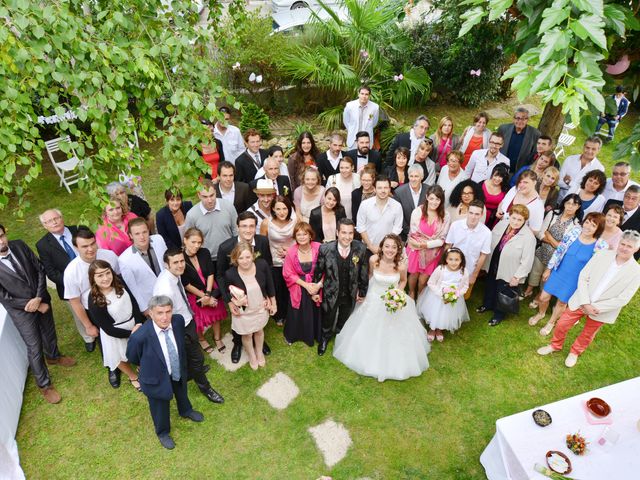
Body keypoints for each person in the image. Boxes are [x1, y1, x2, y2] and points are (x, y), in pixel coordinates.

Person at [333, 234, 430, 382]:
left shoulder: (402, 265)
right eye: (387, 246)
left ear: (398, 249)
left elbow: (403, 281)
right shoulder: (373, 260)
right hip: (374, 296)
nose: (390, 250)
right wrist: (365, 293)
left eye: (393, 247)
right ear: (382, 247)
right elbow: (370, 276)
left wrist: (396, 293)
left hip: (392, 298)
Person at [537, 230, 640, 368]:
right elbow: (584, 276)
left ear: (636, 248)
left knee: (588, 334)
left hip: (601, 310)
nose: (624, 248)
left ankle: (574, 352)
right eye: (623, 244)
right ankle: (555, 345)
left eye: (629, 246)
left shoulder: (636, 271)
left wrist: (596, 308)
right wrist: (585, 302)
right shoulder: (602, 254)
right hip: (581, 300)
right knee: (562, 324)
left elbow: (623, 298)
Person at [0, 224, 75, 404]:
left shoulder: (18, 245)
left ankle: (54, 356)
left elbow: (39, 269)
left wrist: (39, 297)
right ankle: (44, 384)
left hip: (41, 297)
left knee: (49, 333)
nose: (1, 241)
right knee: (34, 347)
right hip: (21, 311)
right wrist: (31, 304)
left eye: (1, 236)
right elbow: (3, 296)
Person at [126, 295, 205, 449]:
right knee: (159, 405)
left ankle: (186, 410)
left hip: (177, 369)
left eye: (168, 311)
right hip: (155, 377)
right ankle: (162, 432)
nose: (165, 317)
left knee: (181, 391)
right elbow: (133, 357)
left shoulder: (178, 321)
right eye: (160, 313)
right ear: (151, 313)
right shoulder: (139, 336)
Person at [153, 249, 224, 404]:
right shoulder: (165, 288)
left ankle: (192, 372)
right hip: (180, 326)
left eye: (181, 261)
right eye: (175, 262)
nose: (180, 265)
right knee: (197, 357)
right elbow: (163, 316)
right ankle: (206, 388)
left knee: (191, 356)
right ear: (166, 265)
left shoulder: (174, 276)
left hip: (186, 318)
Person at [528, 213, 607, 336]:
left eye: (593, 225)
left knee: (561, 303)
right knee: (543, 297)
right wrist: (549, 269)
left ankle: (551, 322)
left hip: (574, 280)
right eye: (587, 222)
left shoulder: (600, 246)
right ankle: (541, 313)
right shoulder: (574, 233)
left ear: (598, 229)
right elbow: (559, 251)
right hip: (558, 272)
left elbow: (597, 268)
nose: (588, 226)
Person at [216, 212, 272, 364]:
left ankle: (258, 341)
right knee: (240, 321)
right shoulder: (225, 247)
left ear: (256, 227)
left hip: (256, 292)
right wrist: (229, 301)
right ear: (238, 227)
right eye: (244, 226)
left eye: (252, 226)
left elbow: (267, 270)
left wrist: (267, 295)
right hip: (237, 296)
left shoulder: (263, 242)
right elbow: (220, 276)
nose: (248, 230)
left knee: (257, 318)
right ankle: (238, 343)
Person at [313, 219, 368, 355]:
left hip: (350, 292)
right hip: (331, 292)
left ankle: (340, 334)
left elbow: (363, 270)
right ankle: (325, 338)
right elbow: (318, 271)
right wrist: (315, 290)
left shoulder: (360, 248)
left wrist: (362, 290)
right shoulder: (325, 249)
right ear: (337, 232)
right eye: (344, 232)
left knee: (345, 316)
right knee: (328, 317)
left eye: (350, 233)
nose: (347, 237)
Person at [36, 209, 91, 347]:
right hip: (68, 286)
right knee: (79, 313)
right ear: (45, 226)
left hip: (93, 276)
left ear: (62, 218)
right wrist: (73, 283)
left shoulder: (78, 229)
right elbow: (51, 272)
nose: (54, 222)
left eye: (56, 218)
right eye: (49, 221)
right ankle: (88, 337)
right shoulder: (42, 245)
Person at [87, 260, 144, 391]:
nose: (106, 278)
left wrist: (138, 323)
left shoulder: (119, 282)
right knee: (119, 356)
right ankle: (132, 376)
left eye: (107, 273)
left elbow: (133, 302)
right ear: (93, 278)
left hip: (134, 324)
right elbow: (108, 329)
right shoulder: (94, 300)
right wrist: (132, 334)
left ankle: (142, 366)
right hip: (116, 332)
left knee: (141, 350)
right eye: (100, 275)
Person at [64, 227, 120, 358]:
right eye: (84, 246)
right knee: (104, 340)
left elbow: (119, 278)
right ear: (76, 248)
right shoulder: (71, 271)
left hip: (117, 302)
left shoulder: (109, 256)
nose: (90, 249)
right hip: (95, 310)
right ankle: (113, 367)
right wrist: (88, 326)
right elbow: (75, 302)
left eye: (92, 243)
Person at [478, 204, 536, 326]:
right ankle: (487, 305)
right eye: (513, 218)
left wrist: (517, 276)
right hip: (494, 261)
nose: (515, 222)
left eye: (519, 220)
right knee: (490, 285)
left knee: (503, 291)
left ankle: (498, 315)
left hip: (510, 269)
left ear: (525, 221)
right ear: (509, 216)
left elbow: (527, 261)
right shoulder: (502, 225)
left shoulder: (529, 237)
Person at [222, 243, 276, 369]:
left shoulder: (262, 265)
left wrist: (273, 302)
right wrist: (234, 302)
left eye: (247, 257)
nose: (245, 261)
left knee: (259, 331)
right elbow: (226, 291)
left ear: (252, 256)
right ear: (235, 259)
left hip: (260, 307)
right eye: (241, 258)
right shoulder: (230, 274)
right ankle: (251, 355)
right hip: (244, 312)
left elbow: (270, 284)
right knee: (247, 335)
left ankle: (259, 353)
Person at [523, 194, 582, 302]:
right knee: (534, 273)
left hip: (556, 257)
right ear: (564, 203)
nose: (570, 207)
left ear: (578, 207)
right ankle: (529, 290)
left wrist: (549, 236)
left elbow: (564, 246)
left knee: (546, 278)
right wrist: (555, 243)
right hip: (542, 250)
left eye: (574, 204)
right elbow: (541, 233)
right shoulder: (552, 214)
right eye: (568, 203)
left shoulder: (576, 224)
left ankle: (539, 296)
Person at [182, 228, 228, 353]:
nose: (196, 246)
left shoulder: (204, 252)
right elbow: (186, 284)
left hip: (210, 287)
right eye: (193, 242)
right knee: (198, 318)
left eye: (199, 242)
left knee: (216, 313)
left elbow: (211, 273)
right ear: (185, 240)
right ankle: (202, 339)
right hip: (194, 292)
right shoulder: (181, 259)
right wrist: (203, 296)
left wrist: (208, 294)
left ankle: (217, 338)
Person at [406, 185, 450, 299]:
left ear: (441, 200)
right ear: (426, 197)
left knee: (423, 279)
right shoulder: (418, 212)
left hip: (433, 253)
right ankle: (411, 293)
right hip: (415, 251)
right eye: (431, 198)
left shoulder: (445, 216)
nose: (434, 202)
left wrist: (425, 244)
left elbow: (441, 240)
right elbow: (414, 234)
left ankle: (420, 297)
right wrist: (426, 243)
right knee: (414, 274)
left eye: (437, 199)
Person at [282, 222, 322, 346]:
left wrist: (318, 285)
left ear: (311, 235)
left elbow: (328, 269)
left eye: (305, 234)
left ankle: (316, 334)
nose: (302, 237)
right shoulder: (291, 251)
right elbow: (288, 273)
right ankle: (294, 335)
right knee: (297, 311)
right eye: (298, 234)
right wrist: (306, 285)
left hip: (317, 284)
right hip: (299, 286)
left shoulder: (319, 247)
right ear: (295, 237)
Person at [419, 247, 470, 342]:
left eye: (456, 260)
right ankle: (432, 329)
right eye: (450, 259)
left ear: (461, 260)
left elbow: (465, 286)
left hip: (453, 298)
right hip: (437, 297)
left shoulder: (464, 271)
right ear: (446, 259)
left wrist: (456, 295)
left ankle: (439, 330)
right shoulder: (441, 269)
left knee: (446, 315)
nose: (453, 262)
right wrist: (441, 294)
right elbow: (431, 283)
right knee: (435, 313)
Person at [184, 179, 238, 267]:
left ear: (216, 192)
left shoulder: (228, 206)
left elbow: (236, 231)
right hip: (206, 260)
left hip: (229, 256)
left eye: (212, 195)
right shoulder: (192, 215)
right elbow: (189, 241)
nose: (209, 200)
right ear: (199, 195)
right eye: (205, 197)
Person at [260, 195, 297, 326]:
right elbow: (262, 243)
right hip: (274, 260)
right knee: (277, 287)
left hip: (292, 259)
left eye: (285, 209)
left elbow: (302, 239)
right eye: (278, 209)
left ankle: (291, 313)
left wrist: (291, 251)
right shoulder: (266, 223)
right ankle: (278, 314)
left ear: (289, 209)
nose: (282, 212)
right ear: (273, 209)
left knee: (290, 287)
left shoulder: (296, 221)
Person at [444, 200, 492, 299]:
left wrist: (474, 275)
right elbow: (448, 246)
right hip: (452, 265)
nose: (473, 217)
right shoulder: (455, 225)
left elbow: (483, 255)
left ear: (482, 215)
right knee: (446, 292)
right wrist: (444, 264)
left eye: (477, 214)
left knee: (463, 296)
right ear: (467, 211)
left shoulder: (487, 233)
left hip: (469, 269)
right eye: (471, 213)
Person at [119, 218, 167, 316]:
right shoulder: (124, 260)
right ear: (131, 236)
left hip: (170, 289)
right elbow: (133, 288)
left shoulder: (158, 239)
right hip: (152, 300)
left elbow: (169, 263)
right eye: (137, 234)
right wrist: (144, 309)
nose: (142, 237)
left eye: (144, 232)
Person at [356, 176, 403, 255]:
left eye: (386, 187)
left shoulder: (397, 206)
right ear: (375, 189)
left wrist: (386, 247)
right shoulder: (365, 205)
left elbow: (397, 228)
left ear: (389, 189)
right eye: (380, 188)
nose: (383, 191)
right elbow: (361, 227)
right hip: (367, 248)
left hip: (389, 251)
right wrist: (371, 246)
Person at [495, 170, 545, 234]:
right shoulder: (514, 190)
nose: (521, 185)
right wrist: (499, 210)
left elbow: (535, 231)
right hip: (499, 229)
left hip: (514, 239)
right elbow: (502, 203)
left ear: (534, 182)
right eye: (520, 182)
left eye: (525, 182)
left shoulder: (538, 205)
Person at [497, 106, 541, 173]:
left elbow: (535, 154)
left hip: (520, 172)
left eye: (523, 119)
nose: (520, 121)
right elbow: (497, 146)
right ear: (513, 119)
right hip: (501, 168)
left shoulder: (535, 134)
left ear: (527, 120)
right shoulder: (503, 129)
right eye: (517, 118)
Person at [394, 165, 428, 241]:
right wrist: (411, 232)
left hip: (426, 235)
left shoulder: (429, 191)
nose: (413, 179)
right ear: (408, 177)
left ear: (422, 177)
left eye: (416, 176)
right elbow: (398, 216)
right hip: (405, 235)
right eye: (411, 176)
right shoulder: (399, 192)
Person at [343, 85, 379, 150]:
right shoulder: (350, 105)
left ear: (369, 96)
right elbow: (346, 121)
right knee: (351, 159)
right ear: (358, 94)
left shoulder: (375, 107)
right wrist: (352, 129)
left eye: (366, 94)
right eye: (362, 94)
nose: (364, 96)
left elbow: (374, 123)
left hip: (366, 141)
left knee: (366, 159)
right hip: (353, 140)